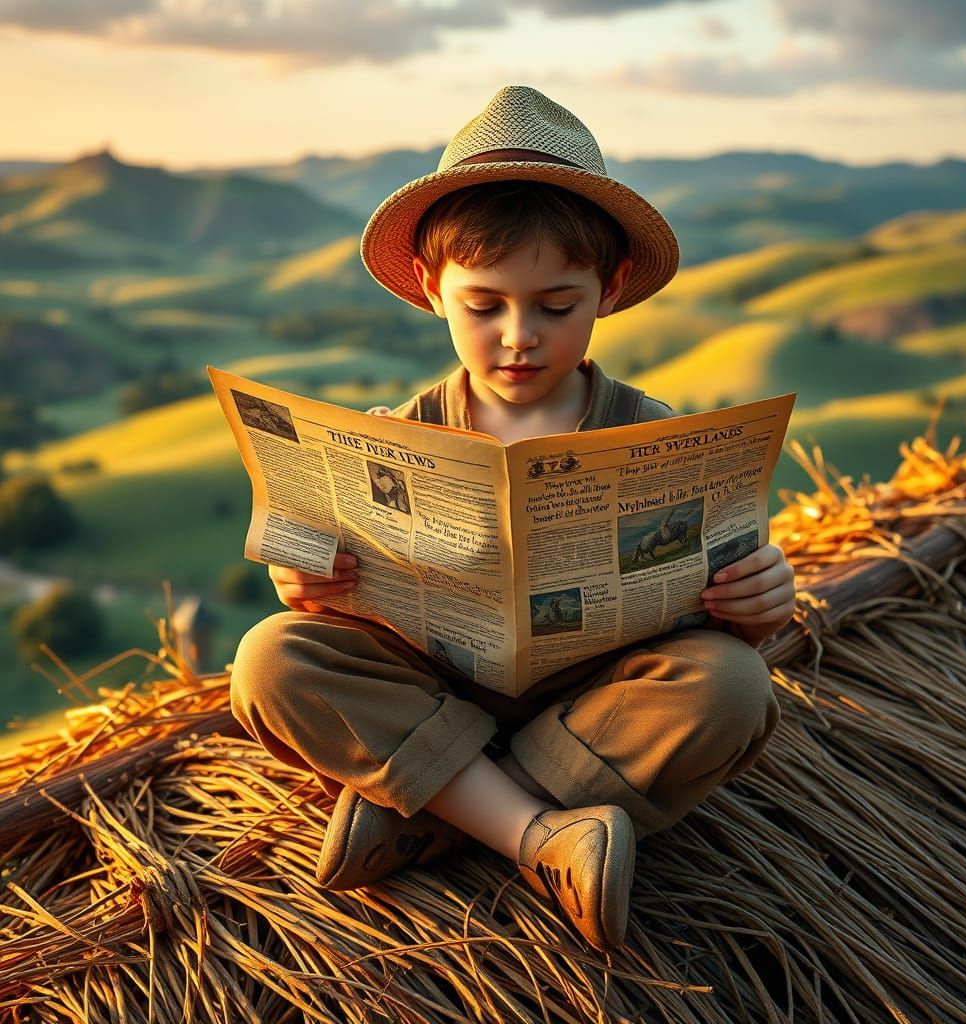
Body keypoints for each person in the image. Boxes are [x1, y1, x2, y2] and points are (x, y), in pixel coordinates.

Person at [230, 85, 795, 954]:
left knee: (731, 687)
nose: (518, 336)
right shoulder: (395, 437)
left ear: (609, 290)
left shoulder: (657, 437)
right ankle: (540, 835)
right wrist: (310, 583)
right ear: (430, 289)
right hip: (437, 688)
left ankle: (442, 816)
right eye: (483, 306)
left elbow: (722, 606)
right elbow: (336, 610)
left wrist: (759, 606)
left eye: (555, 306)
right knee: (268, 659)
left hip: (592, 703)